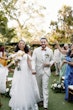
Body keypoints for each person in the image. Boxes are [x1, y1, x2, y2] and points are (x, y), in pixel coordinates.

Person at [9, 40, 39, 110]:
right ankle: (19, 103)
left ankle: (27, 103)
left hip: (26, 71)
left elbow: (29, 62)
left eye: (23, 43)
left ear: (25, 45)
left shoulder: (28, 52)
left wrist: (32, 70)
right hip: (18, 71)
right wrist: (16, 61)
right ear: (18, 45)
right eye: (20, 43)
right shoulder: (15, 53)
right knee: (18, 85)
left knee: (26, 85)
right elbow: (15, 64)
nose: (21, 45)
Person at [32, 37, 54, 110]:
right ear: (40, 43)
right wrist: (33, 69)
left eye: (44, 42)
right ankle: (41, 99)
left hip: (46, 72)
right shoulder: (35, 50)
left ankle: (45, 105)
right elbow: (33, 60)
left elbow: (53, 60)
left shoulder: (50, 51)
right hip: (38, 71)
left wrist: (49, 64)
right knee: (39, 87)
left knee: (45, 87)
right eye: (42, 42)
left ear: (46, 42)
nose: (43, 43)